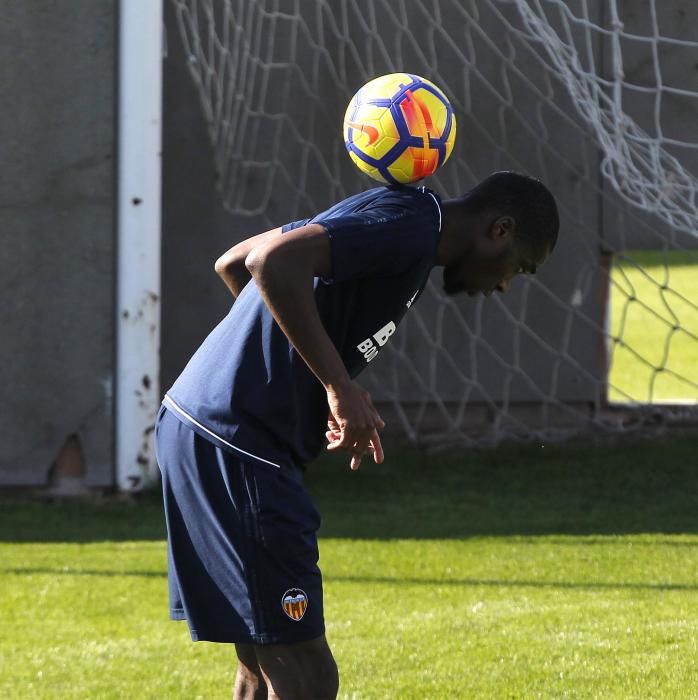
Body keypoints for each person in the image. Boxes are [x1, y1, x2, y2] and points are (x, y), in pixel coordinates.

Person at [154, 171, 559, 699]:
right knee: (307, 674)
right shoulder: (411, 224)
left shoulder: (403, 216)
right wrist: (335, 385)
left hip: (204, 425)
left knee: (264, 656)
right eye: (519, 268)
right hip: (236, 439)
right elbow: (269, 263)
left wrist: (290, 375)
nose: (506, 283)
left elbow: (234, 261)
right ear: (500, 231)